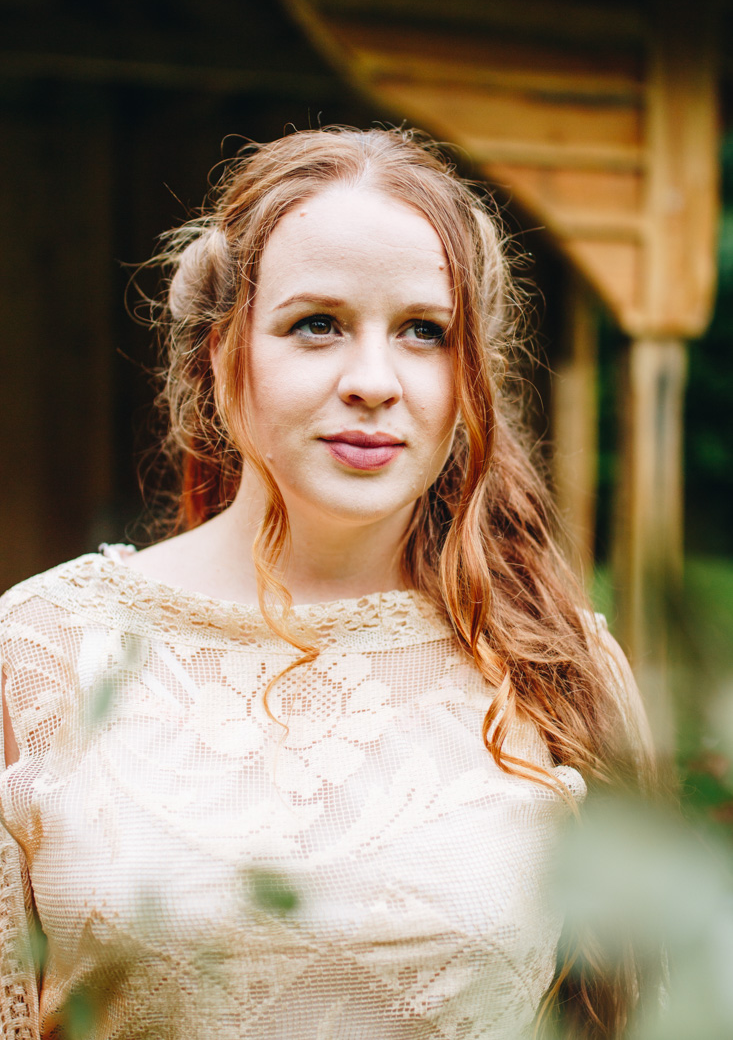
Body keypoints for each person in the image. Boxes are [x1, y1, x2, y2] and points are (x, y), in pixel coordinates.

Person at [0, 127, 654, 1039]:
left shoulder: (560, 667)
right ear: (220, 352)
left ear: (472, 376)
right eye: (317, 324)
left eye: (424, 332)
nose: (374, 382)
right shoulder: (43, 650)